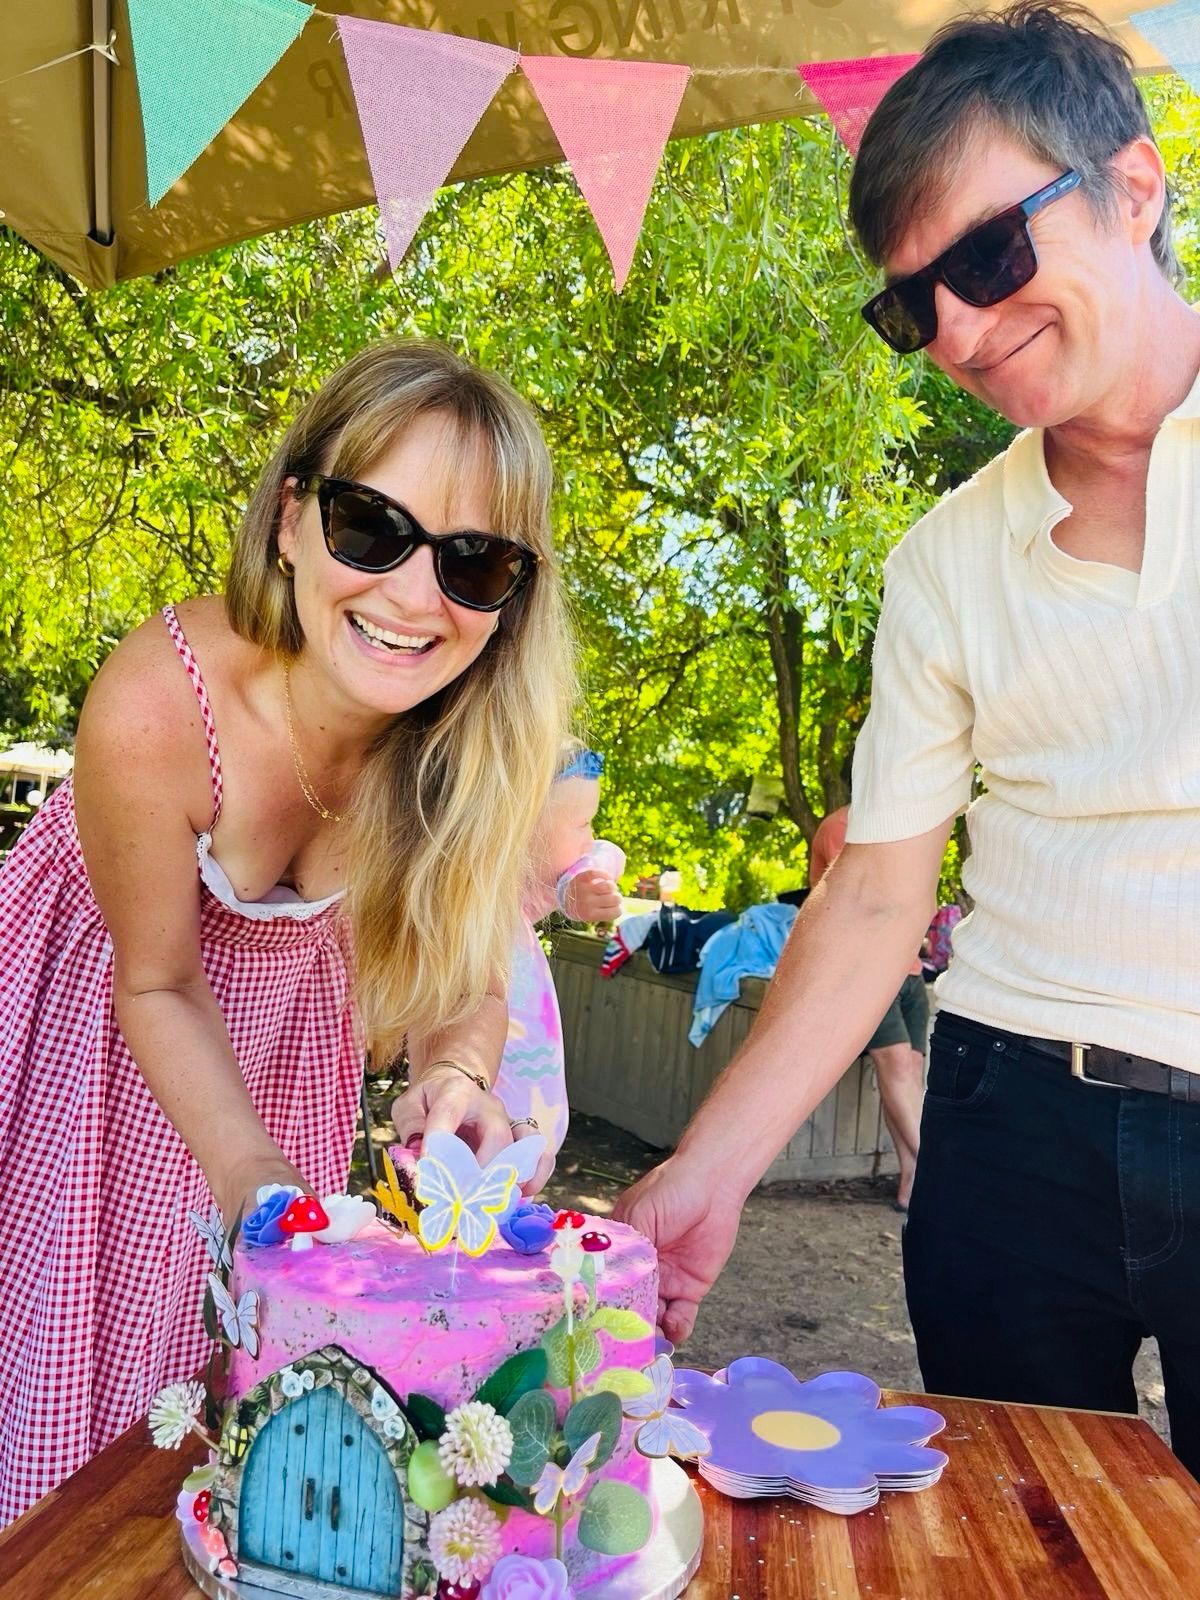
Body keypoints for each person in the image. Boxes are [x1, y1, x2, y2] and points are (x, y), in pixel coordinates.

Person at [616, 2, 1200, 1475]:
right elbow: (879, 892)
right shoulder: (943, 560)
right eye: (910, 307)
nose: (957, 334)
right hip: (1008, 1123)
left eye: (989, 258)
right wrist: (707, 1173)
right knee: (1020, 1534)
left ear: (1134, 188)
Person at [0, 339, 575, 1524]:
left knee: (221, 1426)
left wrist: (458, 1076)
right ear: (291, 522)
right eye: (372, 527)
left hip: (272, 1069)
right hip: (90, 1044)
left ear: (513, 597)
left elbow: (466, 975)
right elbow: (155, 983)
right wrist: (256, 1180)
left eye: (473, 560)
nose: (414, 595)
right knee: (62, 1431)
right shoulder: (164, 702)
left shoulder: (469, 748)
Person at [493, 742, 624, 1155]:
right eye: (582, 824)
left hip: (533, 1136)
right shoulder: (491, 906)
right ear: (520, 828)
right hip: (485, 1134)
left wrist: (579, 885)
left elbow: (607, 854)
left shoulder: (518, 902)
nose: (591, 838)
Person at [810, 805, 927, 1211]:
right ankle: (940, 1172)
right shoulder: (842, 827)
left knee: (910, 1071)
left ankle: (913, 1179)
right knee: (896, 1065)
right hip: (864, 970)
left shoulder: (905, 827)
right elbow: (860, 903)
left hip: (908, 969)